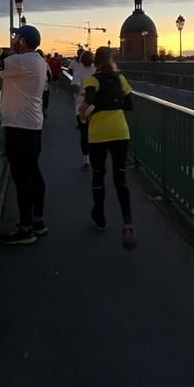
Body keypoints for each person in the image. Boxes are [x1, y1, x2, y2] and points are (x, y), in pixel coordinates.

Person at [0, 25, 48, 246]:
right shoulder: (37, 61)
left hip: (18, 127)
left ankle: (25, 229)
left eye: (16, 36)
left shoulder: (21, 62)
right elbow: (5, 63)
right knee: (33, 173)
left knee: (21, 178)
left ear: (23, 42)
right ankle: (37, 222)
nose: (13, 38)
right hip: (33, 124)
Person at [80, 46, 136, 249]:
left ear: (96, 62)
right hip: (121, 132)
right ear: (112, 60)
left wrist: (83, 111)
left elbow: (89, 101)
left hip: (98, 135)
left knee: (98, 175)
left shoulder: (92, 80)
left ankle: (100, 217)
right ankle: (127, 223)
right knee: (120, 178)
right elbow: (130, 105)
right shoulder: (120, 80)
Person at [73, 50, 95, 170]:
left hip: (81, 108)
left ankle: (86, 160)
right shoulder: (96, 71)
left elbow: (75, 88)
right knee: (94, 133)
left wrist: (80, 92)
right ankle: (95, 156)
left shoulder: (78, 73)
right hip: (94, 107)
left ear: (81, 60)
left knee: (84, 134)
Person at [37, 49, 52, 117]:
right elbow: (49, 74)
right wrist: (48, 81)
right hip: (44, 84)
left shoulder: (32, 63)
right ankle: (44, 111)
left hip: (35, 86)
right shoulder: (45, 63)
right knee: (45, 98)